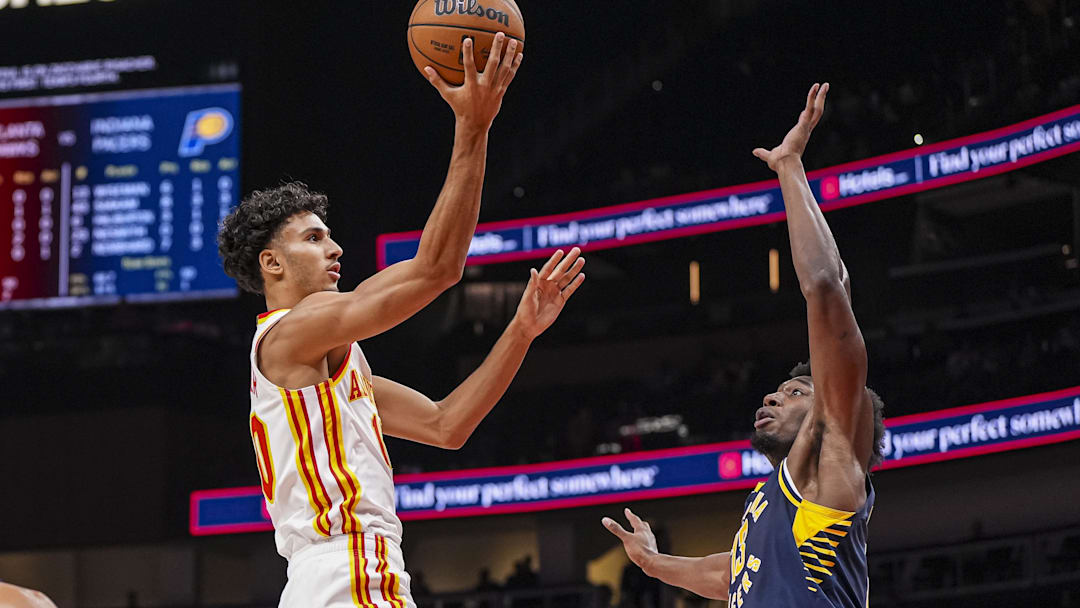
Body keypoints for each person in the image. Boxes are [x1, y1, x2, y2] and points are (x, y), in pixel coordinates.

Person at [218, 34, 585, 608]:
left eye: (331, 235)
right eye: (314, 239)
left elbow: (446, 426)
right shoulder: (294, 328)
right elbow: (438, 269)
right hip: (348, 566)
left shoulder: (329, 366)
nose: (336, 248)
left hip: (326, 577)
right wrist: (474, 127)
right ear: (272, 263)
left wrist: (521, 331)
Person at [602, 84, 886, 608]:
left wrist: (790, 169)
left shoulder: (835, 456)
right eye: (779, 390)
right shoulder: (778, 504)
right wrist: (652, 562)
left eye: (796, 392)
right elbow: (733, 573)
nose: (774, 397)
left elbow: (828, 288)